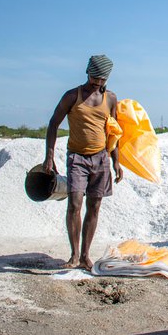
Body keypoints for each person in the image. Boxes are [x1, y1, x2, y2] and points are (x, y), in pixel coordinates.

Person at [43, 55, 124, 270]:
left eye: (101, 80)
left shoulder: (111, 99)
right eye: (94, 78)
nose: (97, 83)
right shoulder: (72, 96)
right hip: (77, 158)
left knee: (94, 206)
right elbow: (53, 124)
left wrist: (116, 161)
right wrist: (49, 155)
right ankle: (74, 255)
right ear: (87, 72)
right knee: (75, 204)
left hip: (101, 158)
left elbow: (113, 132)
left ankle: (87, 255)